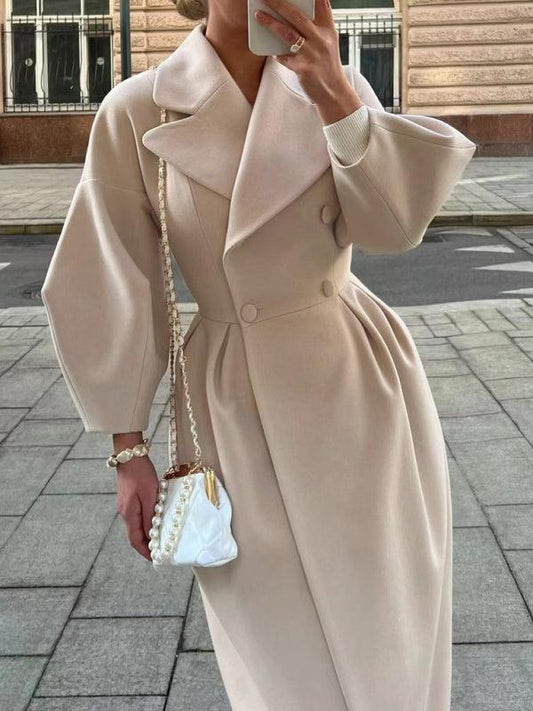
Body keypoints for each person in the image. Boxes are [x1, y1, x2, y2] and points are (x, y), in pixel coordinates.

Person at [41, 0, 477, 708]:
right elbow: (108, 275)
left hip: (357, 385)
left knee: (388, 629)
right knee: (281, 660)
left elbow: (393, 229)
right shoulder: (138, 109)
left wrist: (336, 98)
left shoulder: (336, 84)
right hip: (231, 403)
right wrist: (128, 447)